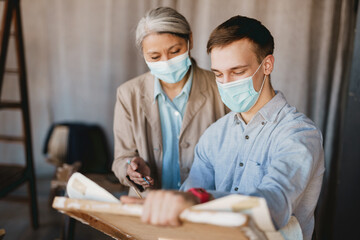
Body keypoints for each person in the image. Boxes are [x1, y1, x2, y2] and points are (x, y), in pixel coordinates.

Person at [121, 15, 325, 240]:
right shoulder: (214, 135)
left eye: (237, 72)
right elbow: (189, 202)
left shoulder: (300, 134)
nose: (226, 83)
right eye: (218, 74)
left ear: (267, 65)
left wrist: (198, 198)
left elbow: (273, 206)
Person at [112, 7, 227, 196]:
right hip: (150, 207)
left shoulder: (219, 87)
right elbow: (122, 158)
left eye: (175, 51)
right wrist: (130, 168)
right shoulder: (128, 94)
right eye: (155, 57)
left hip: (206, 203)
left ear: (190, 40)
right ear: (143, 54)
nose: (166, 62)